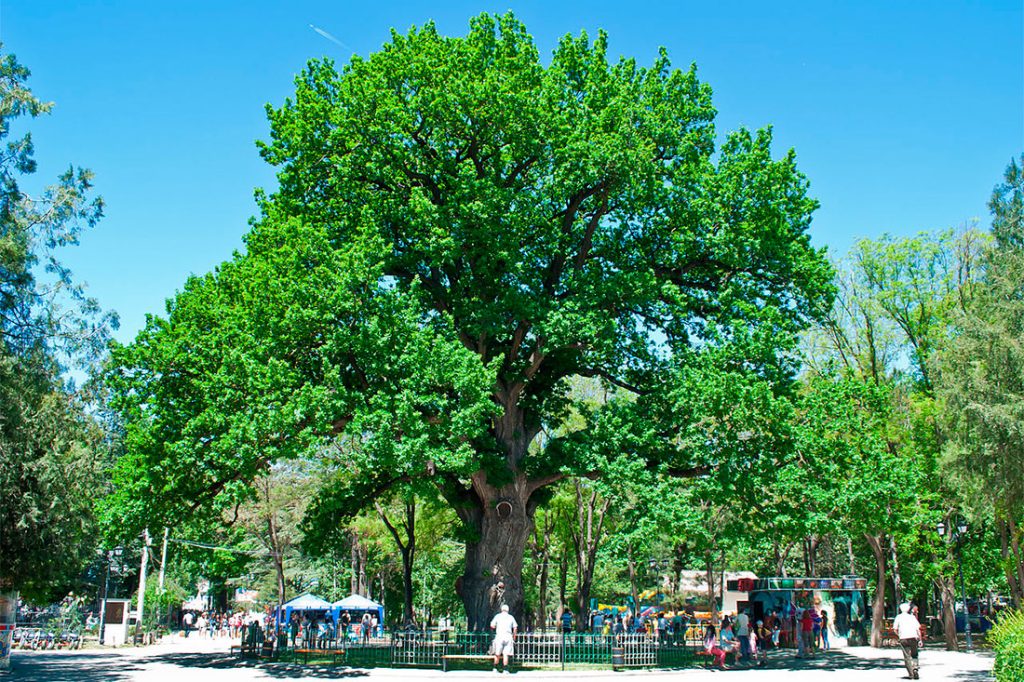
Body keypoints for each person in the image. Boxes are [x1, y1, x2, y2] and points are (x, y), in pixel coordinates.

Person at [894, 603, 922, 680]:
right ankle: (915, 668)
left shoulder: (898, 617)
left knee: (907, 656)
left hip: (903, 638)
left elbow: (895, 629)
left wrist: (899, 635)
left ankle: (911, 674)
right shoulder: (912, 617)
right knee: (914, 654)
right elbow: (918, 629)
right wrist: (920, 640)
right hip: (913, 637)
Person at [490, 604, 518, 674]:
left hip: (499, 636)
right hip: (508, 636)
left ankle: (495, 668)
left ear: (501, 609)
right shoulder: (511, 617)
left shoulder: (497, 616)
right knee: (506, 653)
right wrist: (514, 636)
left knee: (497, 653)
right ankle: (505, 669)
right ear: (508, 610)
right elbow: (515, 627)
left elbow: (492, 625)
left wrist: (495, 627)